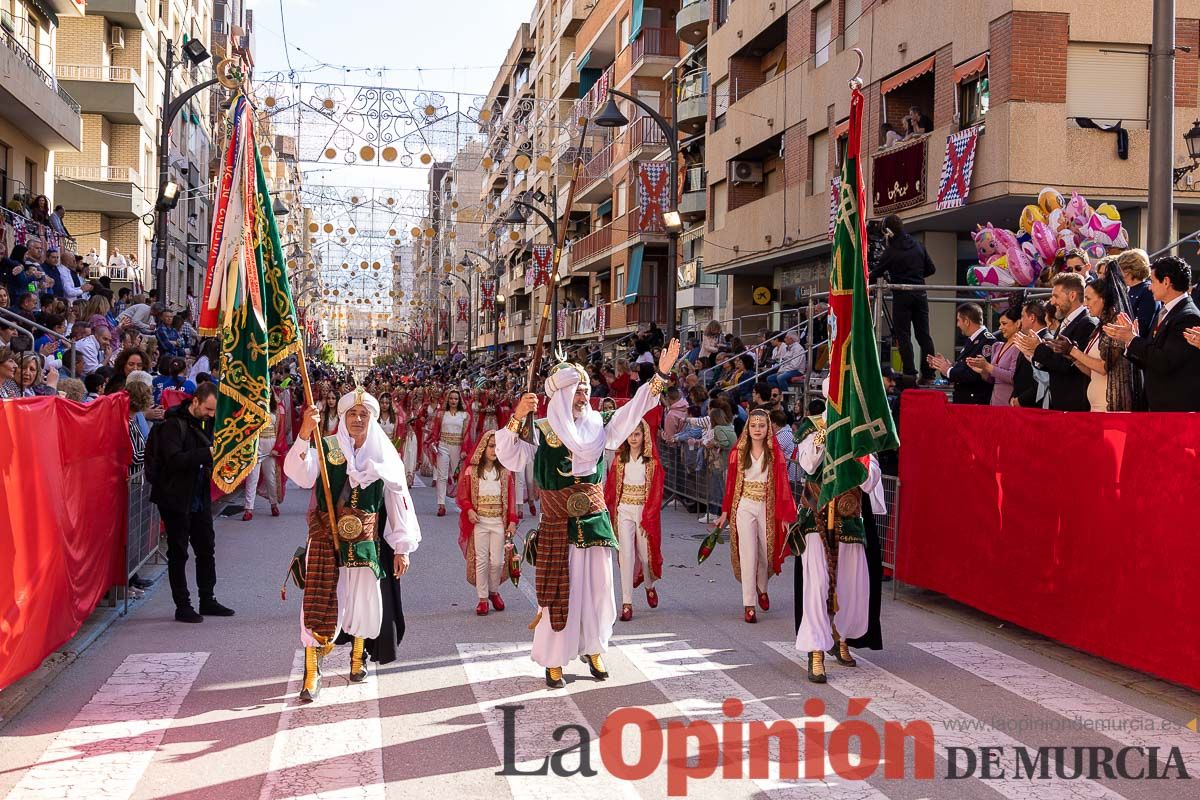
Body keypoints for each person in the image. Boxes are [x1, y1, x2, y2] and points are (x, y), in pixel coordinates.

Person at [495, 340, 679, 689]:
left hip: (593, 519)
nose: (583, 396)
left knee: (597, 590)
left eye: (585, 390)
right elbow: (509, 456)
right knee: (558, 591)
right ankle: (553, 660)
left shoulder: (599, 425)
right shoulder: (541, 429)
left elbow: (635, 408)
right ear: (561, 395)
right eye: (578, 392)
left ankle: (594, 648)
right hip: (557, 522)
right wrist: (517, 417)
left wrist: (661, 374)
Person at [284, 389, 422, 701]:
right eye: (352, 414)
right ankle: (311, 672)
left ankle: (357, 658)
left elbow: (398, 501)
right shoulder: (327, 446)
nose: (358, 419)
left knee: (362, 602)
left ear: (371, 418)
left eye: (364, 415)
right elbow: (300, 476)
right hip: (325, 539)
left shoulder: (383, 455)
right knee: (318, 601)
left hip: (363, 542)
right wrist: (305, 433)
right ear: (343, 418)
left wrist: (401, 547)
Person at [792, 393, 885, 683]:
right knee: (818, 582)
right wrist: (825, 433)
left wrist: (861, 453)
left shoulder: (861, 431)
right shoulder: (811, 425)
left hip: (849, 514)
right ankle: (816, 649)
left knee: (850, 584)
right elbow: (808, 464)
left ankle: (841, 636)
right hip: (817, 513)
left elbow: (871, 481)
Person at [146, 383, 234, 623]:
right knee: (179, 553)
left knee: (206, 549)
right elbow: (174, 460)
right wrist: (210, 453)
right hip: (175, 498)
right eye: (208, 409)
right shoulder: (172, 425)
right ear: (195, 401)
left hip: (198, 497)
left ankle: (207, 599)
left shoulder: (202, 422)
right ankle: (182, 605)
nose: (211, 414)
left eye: (214, 411)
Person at [713, 407, 798, 624]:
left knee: (765, 552)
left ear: (768, 427)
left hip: (767, 507)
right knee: (748, 552)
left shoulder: (775, 452)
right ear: (747, 428)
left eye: (761, 425)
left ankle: (762, 588)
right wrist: (724, 512)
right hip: (744, 506)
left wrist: (787, 514)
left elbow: (783, 486)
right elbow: (731, 485)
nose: (757, 429)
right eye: (753, 426)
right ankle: (749, 604)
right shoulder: (738, 453)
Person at [1105, 256, 1200, 411]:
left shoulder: (1188, 316)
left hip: (1176, 410)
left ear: (1166, 282)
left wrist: (1133, 339)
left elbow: (1165, 362)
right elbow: (1150, 360)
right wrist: (1130, 342)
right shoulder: (1167, 311)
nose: (1149, 287)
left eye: (1153, 281)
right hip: (1158, 406)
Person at [604, 417, 664, 622]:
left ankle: (649, 584)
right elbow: (611, 489)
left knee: (646, 557)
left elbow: (656, 492)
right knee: (625, 556)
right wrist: (605, 509)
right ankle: (627, 603)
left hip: (644, 511)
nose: (633, 438)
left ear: (644, 435)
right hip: (624, 510)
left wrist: (649, 515)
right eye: (630, 434)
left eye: (637, 434)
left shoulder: (653, 463)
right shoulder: (620, 460)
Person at [456, 430, 518, 615]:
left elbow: (512, 498)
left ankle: (494, 591)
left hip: (498, 521)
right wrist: (469, 510)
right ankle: (483, 598)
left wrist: (512, 520)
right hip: (480, 522)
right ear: (483, 447)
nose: (494, 451)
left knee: (498, 562)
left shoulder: (504, 472)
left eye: (497, 447)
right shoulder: (471, 471)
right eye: (491, 446)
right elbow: (463, 495)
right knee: (481, 560)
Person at [870, 215, 937, 381]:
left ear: (889, 233)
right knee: (924, 335)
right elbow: (931, 269)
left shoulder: (891, 252)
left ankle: (910, 373)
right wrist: (917, 276)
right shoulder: (918, 246)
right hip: (920, 293)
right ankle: (928, 374)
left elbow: (874, 274)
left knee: (903, 335)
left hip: (902, 295)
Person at [1024, 272, 1097, 411]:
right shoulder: (1066, 322)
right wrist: (1034, 353)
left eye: (1056, 296)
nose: (1052, 302)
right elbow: (1055, 361)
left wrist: (1038, 348)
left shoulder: (1087, 323)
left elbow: (1068, 364)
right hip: (1061, 404)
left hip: (1076, 405)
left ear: (1072, 296)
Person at [1066, 275, 1136, 412]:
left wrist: (1073, 351)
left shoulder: (1116, 325)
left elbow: (1104, 367)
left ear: (1103, 299)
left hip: (1113, 407)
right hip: (1097, 405)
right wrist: (1073, 357)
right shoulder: (1100, 327)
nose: (1085, 304)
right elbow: (1092, 371)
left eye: (1088, 299)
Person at [927, 303, 996, 404]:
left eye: (958, 320)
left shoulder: (987, 341)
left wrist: (948, 370)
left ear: (967, 321)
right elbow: (964, 367)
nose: (957, 325)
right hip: (965, 401)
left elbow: (974, 374)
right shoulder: (972, 340)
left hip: (975, 403)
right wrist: (944, 366)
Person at [966, 306, 1022, 406]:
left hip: (1010, 404)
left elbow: (1013, 377)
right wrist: (982, 370)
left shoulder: (1019, 347)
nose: (1000, 328)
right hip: (994, 402)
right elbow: (992, 379)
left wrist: (987, 366)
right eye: (1000, 324)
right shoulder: (998, 346)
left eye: (1004, 324)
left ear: (1017, 323)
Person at [431, 388, 472, 517]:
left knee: (459, 477)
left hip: (458, 447)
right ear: (447, 399)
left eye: (456, 398)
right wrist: (433, 442)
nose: (453, 401)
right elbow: (435, 431)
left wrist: (464, 450)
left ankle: (462, 503)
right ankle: (441, 505)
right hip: (443, 445)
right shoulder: (441, 414)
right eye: (451, 398)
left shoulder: (465, 415)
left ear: (459, 400)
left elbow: (466, 435)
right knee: (442, 476)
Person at [242, 393, 282, 520]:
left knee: (271, 477)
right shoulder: (253, 407)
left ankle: (274, 504)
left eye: (269, 392)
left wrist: (277, 448)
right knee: (252, 478)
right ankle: (249, 508)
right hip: (256, 445)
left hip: (271, 445)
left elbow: (280, 431)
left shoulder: (277, 409)